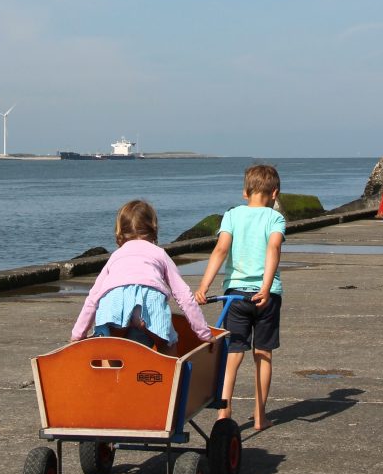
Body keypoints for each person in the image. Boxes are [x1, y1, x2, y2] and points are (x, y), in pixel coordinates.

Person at [195, 164, 285, 430]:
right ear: (275, 193)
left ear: (245, 192)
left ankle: (224, 412)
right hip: (266, 296)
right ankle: (260, 416)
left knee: (233, 354)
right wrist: (266, 287)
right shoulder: (275, 218)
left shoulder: (232, 215)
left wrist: (203, 286)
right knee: (263, 354)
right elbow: (274, 247)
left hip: (234, 294)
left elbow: (221, 249)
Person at [71, 199, 213, 350]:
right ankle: (170, 371)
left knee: (109, 350)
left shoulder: (116, 256)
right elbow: (184, 296)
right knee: (168, 345)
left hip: (114, 304)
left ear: (120, 231)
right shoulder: (159, 253)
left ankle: (112, 371)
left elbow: (93, 298)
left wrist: (77, 335)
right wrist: (204, 334)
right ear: (154, 228)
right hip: (149, 303)